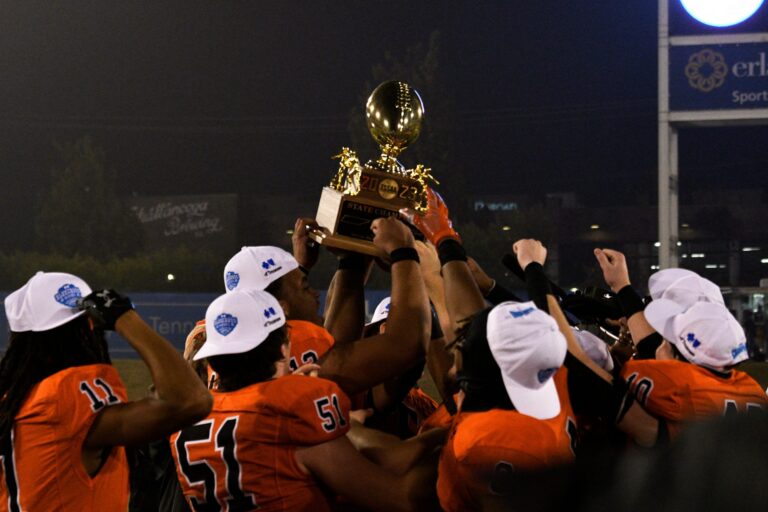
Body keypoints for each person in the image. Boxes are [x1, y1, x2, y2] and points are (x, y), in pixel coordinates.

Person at [171, 219, 442, 511]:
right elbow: (401, 492)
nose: (314, 294)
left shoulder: (190, 417)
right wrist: (405, 254)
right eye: (304, 285)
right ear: (283, 346)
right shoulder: (292, 408)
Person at [0, 271, 211, 511]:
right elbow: (190, 400)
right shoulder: (64, 397)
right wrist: (125, 318)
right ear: (89, 327)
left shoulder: (12, 401)